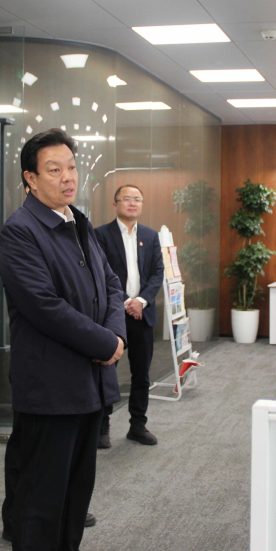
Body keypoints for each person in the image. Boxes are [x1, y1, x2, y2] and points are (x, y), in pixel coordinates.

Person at [0, 129, 126, 551]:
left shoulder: (78, 221)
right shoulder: (20, 231)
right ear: (30, 179)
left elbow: (111, 284)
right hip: (50, 389)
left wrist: (116, 335)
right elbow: (45, 307)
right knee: (41, 501)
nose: (68, 177)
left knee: (76, 494)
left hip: (89, 385)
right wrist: (106, 343)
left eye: (71, 167)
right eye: (54, 170)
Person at [95, 185, 164, 448]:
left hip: (142, 315)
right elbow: (101, 274)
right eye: (126, 199)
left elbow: (157, 272)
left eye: (137, 199)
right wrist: (126, 302)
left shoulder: (151, 235)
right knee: (107, 371)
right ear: (115, 204)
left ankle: (138, 426)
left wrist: (141, 301)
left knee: (141, 374)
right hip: (113, 315)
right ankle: (102, 426)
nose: (132, 203)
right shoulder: (101, 235)